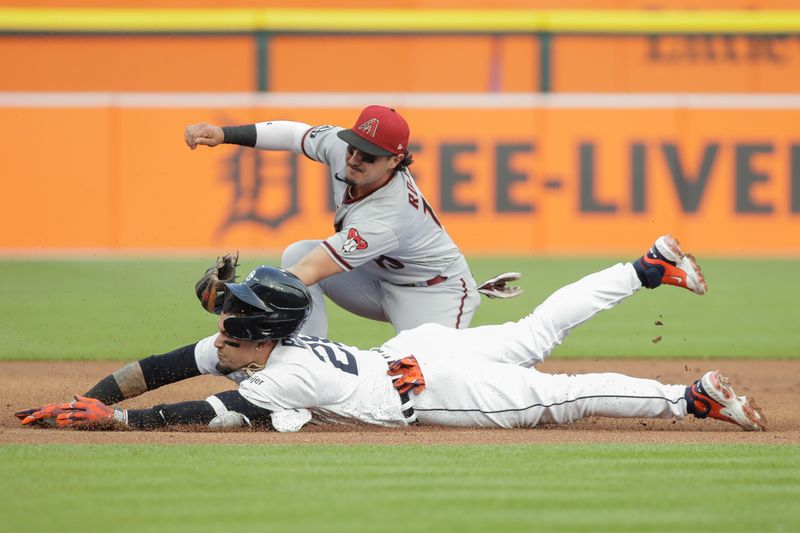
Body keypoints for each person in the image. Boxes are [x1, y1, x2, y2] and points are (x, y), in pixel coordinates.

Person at [15, 235, 766, 432]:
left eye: (232, 308)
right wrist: (85, 398)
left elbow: (208, 412)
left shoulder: (279, 375)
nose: (220, 317)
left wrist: (116, 420)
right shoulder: (255, 345)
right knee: (538, 330)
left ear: (253, 328)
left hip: (432, 384)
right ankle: (645, 266)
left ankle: (685, 399)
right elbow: (161, 366)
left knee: (559, 396)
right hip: (421, 353)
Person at [184, 105, 520, 337]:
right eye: (354, 148)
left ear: (395, 160)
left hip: (434, 296)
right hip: (377, 279)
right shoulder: (343, 148)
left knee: (433, 391)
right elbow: (292, 134)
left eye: (369, 155)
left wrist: (238, 297)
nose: (355, 159)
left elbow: (311, 271)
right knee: (296, 253)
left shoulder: (389, 214)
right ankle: (309, 362)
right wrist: (224, 133)